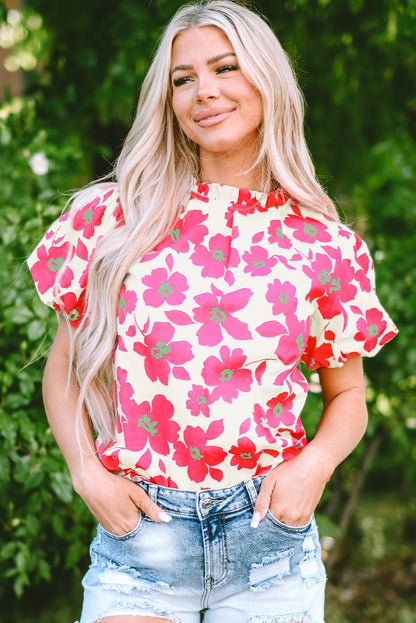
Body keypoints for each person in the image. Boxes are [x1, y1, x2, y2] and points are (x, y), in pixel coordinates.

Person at [27, 1, 398, 622]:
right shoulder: (110, 219)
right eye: (184, 78)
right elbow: (65, 363)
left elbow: (350, 396)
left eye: (225, 68)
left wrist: (313, 468)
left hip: (269, 544)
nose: (205, 91)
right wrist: (86, 472)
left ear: (265, 79)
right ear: (167, 100)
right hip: (140, 540)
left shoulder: (325, 245)